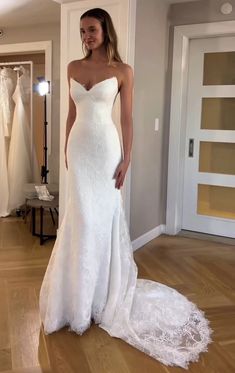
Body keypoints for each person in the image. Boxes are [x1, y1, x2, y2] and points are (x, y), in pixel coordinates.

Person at [39, 8, 212, 369]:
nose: (86, 36)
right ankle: (75, 299)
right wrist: (66, 149)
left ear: (105, 31)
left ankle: (101, 295)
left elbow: (127, 117)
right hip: (79, 151)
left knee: (99, 220)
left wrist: (127, 158)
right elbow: (71, 115)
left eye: (92, 30)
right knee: (79, 219)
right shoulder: (72, 67)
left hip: (105, 151)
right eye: (82, 30)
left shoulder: (122, 71)